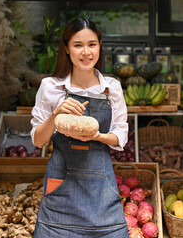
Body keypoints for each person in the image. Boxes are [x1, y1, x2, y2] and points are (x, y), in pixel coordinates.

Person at [30, 18, 129, 237]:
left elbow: (121, 135)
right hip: (61, 184)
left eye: (92, 44)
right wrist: (56, 114)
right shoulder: (51, 87)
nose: (86, 52)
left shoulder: (111, 88)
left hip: (101, 187)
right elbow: (38, 141)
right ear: (66, 48)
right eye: (78, 45)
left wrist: (98, 137)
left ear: (100, 46)